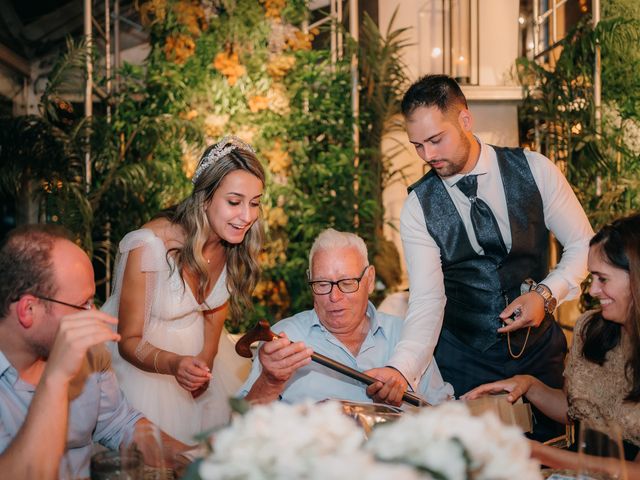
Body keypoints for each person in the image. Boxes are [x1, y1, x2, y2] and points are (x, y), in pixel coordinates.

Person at [379, 74, 593, 438]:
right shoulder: (418, 206)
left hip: (540, 356)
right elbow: (428, 300)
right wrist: (401, 369)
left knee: (554, 455)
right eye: (417, 145)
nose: (427, 155)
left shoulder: (536, 170)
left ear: (465, 120)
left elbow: (584, 245)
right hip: (464, 362)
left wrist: (546, 294)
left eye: (435, 140)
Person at [102, 136, 264, 443]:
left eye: (254, 203)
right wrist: (175, 364)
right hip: (145, 369)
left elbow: (214, 317)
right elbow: (129, 339)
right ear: (205, 198)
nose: (247, 216)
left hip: (198, 368)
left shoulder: (232, 242)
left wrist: (203, 365)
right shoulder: (148, 245)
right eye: (234, 202)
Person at [0, 225, 187, 480]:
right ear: (28, 310)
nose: (95, 315)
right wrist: (56, 378)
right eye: (82, 305)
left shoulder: (89, 354)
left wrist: (191, 459)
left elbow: (119, 424)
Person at [465, 214, 640, 475]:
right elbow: (575, 411)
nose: (591, 291)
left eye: (602, 279)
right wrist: (528, 384)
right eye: (591, 278)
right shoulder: (590, 329)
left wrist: (537, 452)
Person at [239, 229, 453, 406]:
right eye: (322, 284)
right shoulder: (285, 339)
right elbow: (241, 425)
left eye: (347, 282)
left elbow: (442, 412)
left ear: (369, 280)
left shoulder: (408, 338)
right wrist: (269, 381)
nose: (334, 296)